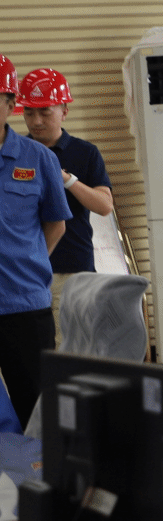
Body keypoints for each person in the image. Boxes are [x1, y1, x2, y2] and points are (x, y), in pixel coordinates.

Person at [15, 69, 114, 345]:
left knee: (71, 349)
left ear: (64, 111)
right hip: (24, 271)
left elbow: (104, 206)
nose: (36, 121)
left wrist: (66, 179)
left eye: (45, 112)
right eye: (29, 113)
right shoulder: (14, 153)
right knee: (28, 351)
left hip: (72, 269)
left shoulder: (85, 152)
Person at [0, 55, 61, 429]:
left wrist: (28, 261)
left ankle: (41, 467)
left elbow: (55, 224)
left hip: (25, 308)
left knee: (37, 414)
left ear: (10, 105)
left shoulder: (38, 159)